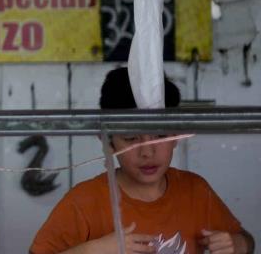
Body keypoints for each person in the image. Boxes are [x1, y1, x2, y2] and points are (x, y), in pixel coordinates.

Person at [30, 67, 254, 254]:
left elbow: (246, 240)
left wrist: (237, 244)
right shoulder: (83, 202)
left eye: (160, 136)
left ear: (176, 136)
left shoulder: (195, 190)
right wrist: (92, 250)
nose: (147, 152)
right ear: (107, 141)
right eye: (131, 138)